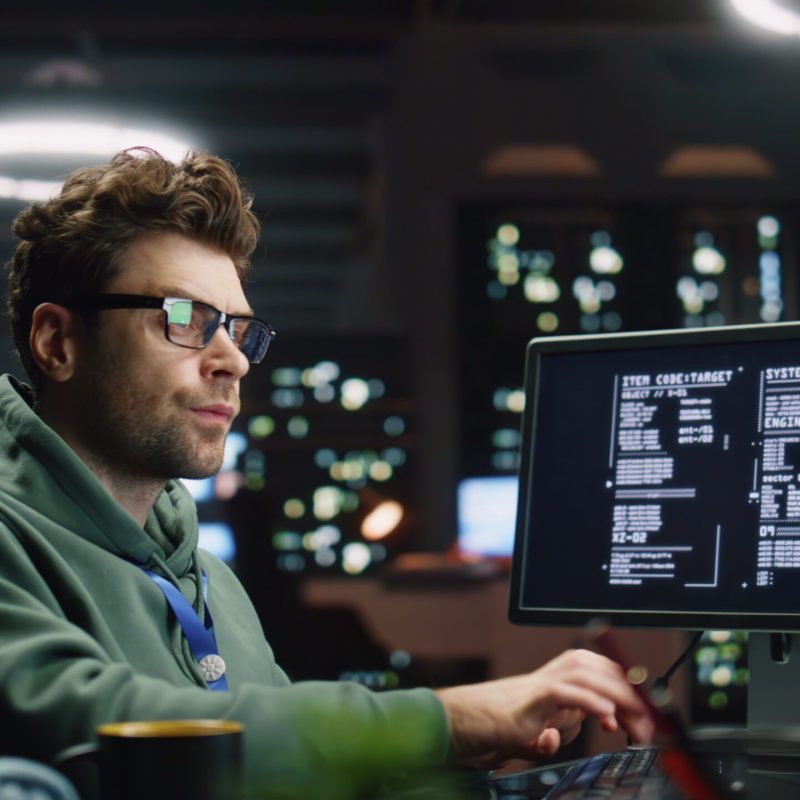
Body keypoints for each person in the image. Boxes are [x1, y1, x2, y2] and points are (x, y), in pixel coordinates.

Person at [0, 148, 653, 799]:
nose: (232, 359)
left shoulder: (210, 580)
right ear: (58, 343)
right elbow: (91, 725)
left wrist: (482, 759)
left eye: (237, 330)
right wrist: (450, 719)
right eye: (184, 319)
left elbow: (297, 773)